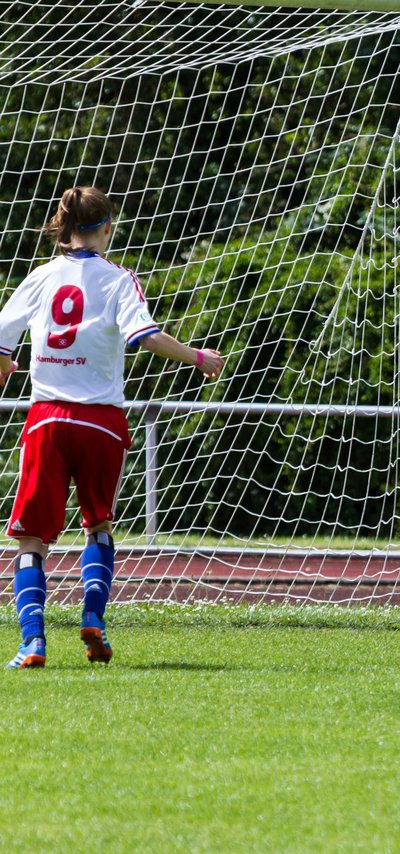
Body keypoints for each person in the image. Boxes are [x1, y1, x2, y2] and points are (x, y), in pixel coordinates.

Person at [0, 186, 226, 669]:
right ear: (106, 228)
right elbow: (145, 336)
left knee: (31, 539)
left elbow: (2, 342)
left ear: (62, 229)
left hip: (47, 419)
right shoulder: (120, 279)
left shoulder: (40, 277)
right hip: (101, 422)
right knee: (98, 524)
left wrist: (5, 370)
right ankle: (94, 620)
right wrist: (199, 357)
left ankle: (33, 642)